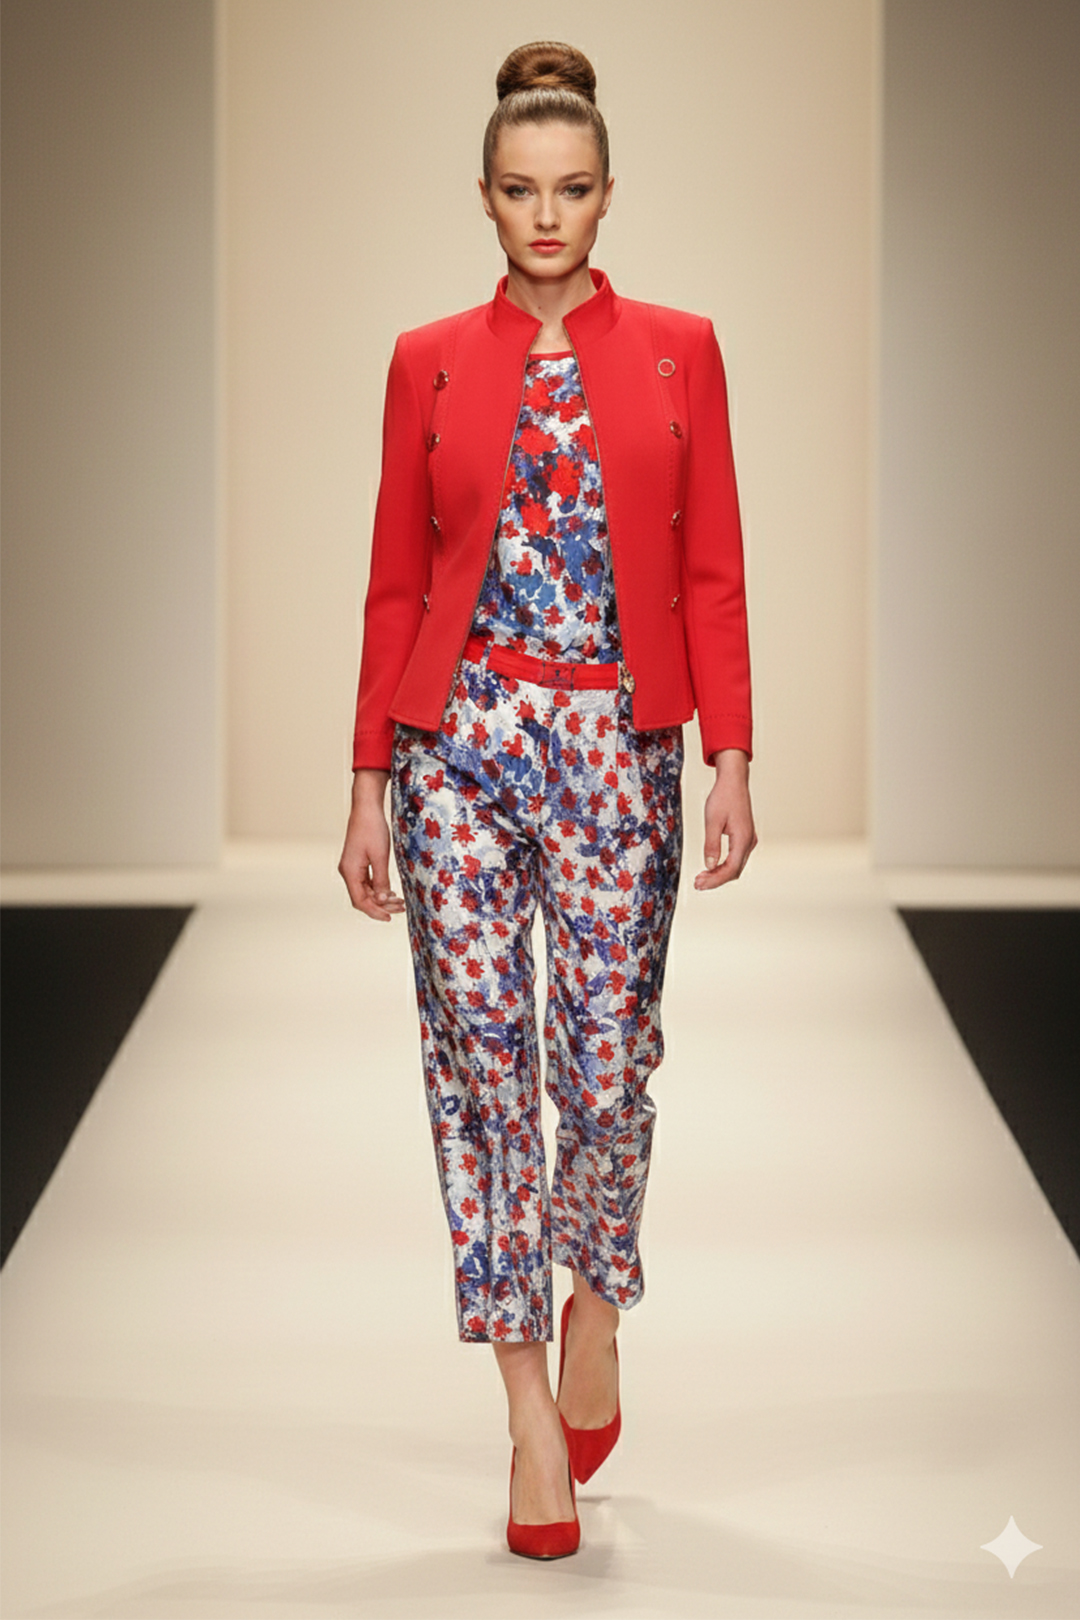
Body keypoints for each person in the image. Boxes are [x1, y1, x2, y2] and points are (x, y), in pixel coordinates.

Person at [339, 39, 755, 1560]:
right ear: (485, 197)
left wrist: (731, 753)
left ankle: (597, 1299)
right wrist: (370, 777)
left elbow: (712, 560)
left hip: (616, 748)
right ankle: (526, 1408)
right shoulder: (428, 360)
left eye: (572, 189)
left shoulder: (683, 350)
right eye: (521, 191)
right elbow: (396, 578)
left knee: (608, 1059)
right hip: (459, 742)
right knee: (479, 1069)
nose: (547, 216)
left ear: (608, 193)